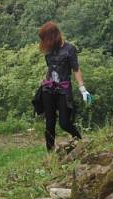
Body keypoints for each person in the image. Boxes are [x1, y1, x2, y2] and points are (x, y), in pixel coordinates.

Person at [38, 21, 90, 151]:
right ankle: (50, 153)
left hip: (63, 89)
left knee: (64, 122)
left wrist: (82, 89)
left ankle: (80, 141)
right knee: (49, 123)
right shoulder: (49, 50)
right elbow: (49, 67)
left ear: (52, 36)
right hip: (48, 89)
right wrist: (44, 80)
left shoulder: (69, 49)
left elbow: (76, 69)